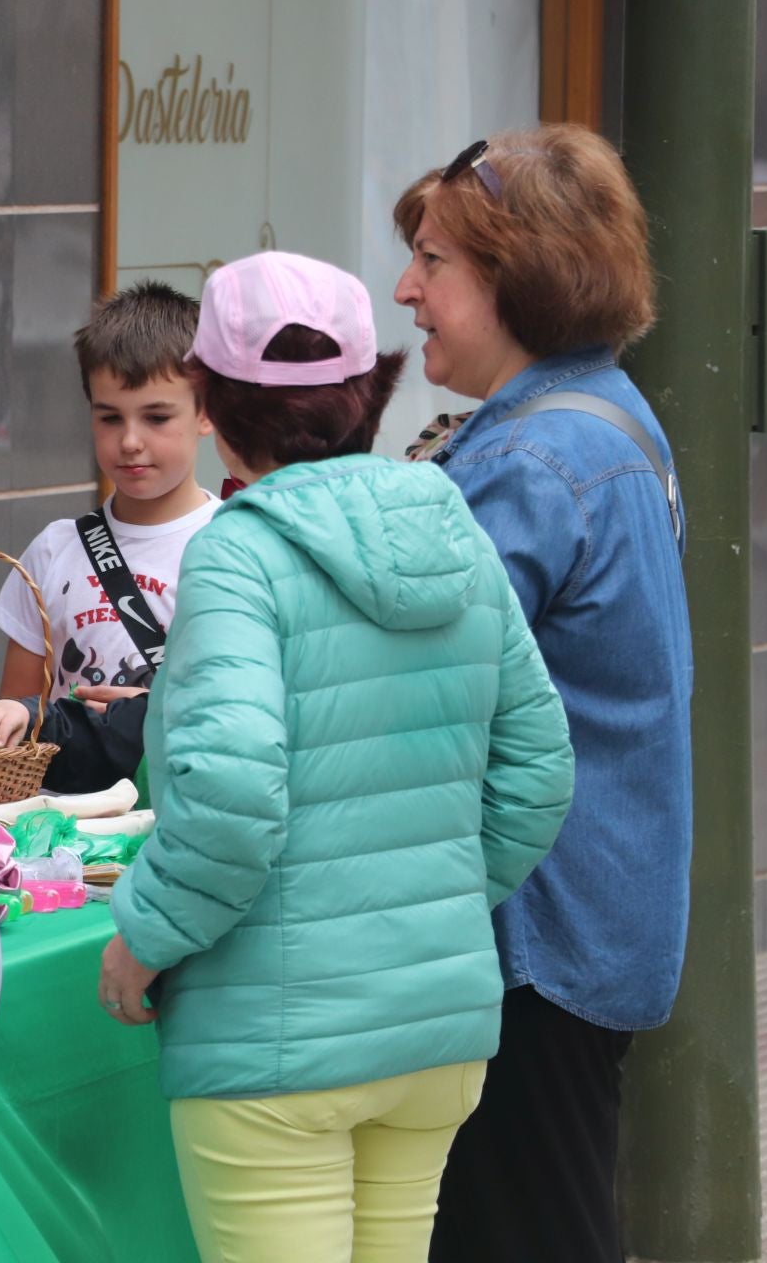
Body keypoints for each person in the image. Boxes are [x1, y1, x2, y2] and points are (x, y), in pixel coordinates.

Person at [98, 251, 575, 1263]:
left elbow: (227, 793)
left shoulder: (236, 547)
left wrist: (145, 932)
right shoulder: (448, 515)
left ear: (215, 403)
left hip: (275, 1044)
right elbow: (539, 769)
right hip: (433, 1032)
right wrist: (421, 894)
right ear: (371, 390)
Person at [390, 125, 693, 1263]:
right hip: (586, 913)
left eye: (435, 262)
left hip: (536, 929)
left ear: (521, 276)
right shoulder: (599, 414)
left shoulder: (530, 461)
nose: (407, 288)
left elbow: (415, 675)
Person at [0, 281, 221, 768]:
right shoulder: (51, 550)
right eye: (109, 418)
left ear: (206, 413)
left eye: (156, 417)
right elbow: (17, 722)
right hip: (66, 818)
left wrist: (154, 715)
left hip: (176, 811)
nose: (129, 441)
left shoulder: (233, 545)